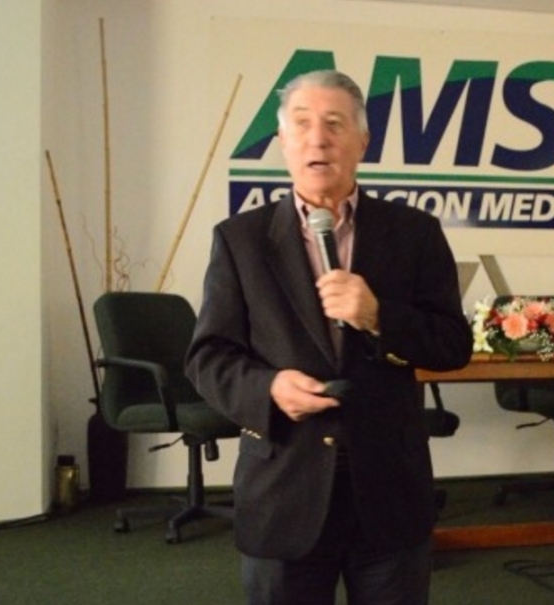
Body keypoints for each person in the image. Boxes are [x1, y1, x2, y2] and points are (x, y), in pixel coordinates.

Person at [185, 69, 473, 605]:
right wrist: (269, 389)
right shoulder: (241, 240)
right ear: (282, 142)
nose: (318, 139)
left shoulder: (415, 233)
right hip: (283, 488)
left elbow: (453, 345)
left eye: (335, 124)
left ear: (362, 142)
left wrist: (379, 315)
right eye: (302, 124)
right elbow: (209, 357)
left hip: (389, 488)